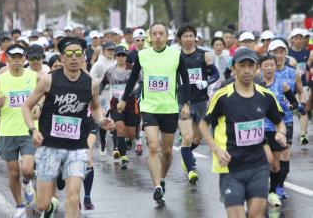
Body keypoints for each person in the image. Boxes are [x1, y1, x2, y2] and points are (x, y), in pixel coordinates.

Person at [21, 36, 115, 218]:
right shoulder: (48, 80)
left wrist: (102, 119)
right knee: (42, 203)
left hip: (77, 147)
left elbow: (95, 108)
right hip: (50, 147)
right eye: (69, 54)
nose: (73, 58)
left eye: (78, 54)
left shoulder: (91, 84)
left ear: (83, 58)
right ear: (62, 58)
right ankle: (46, 208)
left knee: (72, 198)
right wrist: (33, 130)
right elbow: (26, 106)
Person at [199, 47, 287, 218]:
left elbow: (279, 122)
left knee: (255, 214)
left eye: (250, 66)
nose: (246, 70)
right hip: (231, 167)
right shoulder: (222, 97)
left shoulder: (265, 96)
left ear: (256, 68)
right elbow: (203, 125)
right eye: (242, 65)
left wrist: (281, 133)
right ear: (233, 68)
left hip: (258, 166)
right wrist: (217, 150)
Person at [118, 23, 191, 204]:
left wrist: (186, 103)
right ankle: (157, 186)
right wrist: (124, 98)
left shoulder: (176, 54)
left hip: (170, 108)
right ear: (150, 37)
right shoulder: (143, 55)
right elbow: (133, 78)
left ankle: (162, 178)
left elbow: (186, 79)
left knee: (167, 151)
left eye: (161, 33)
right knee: (152, 147)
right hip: (149, 107)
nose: (158, 36)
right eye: (155, 33)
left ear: (167, 36)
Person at [0, 44, 38, 218]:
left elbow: (43, 97)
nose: (16, 60)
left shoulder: (34, 77)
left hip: (28, 129)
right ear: (7, 59)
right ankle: (19, 206)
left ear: (24, 59)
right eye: (13, 57)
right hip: (8, 131)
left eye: (19, 57)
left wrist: (38, 105)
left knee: (27, 169)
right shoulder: (0, 80)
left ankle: (27, 181)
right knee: (13, 172)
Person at [177, 24, 219, 182]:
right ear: (180, 39)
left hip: (201, 100)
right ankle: (190, 169)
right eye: (185, 36)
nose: (188, 39)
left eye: (191, 36)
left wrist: (206, 82)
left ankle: (185, 155)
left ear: (195, 38)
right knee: (187, 137)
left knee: (196, 139)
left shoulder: (204, 55)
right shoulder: (176, 57)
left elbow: (216, 74)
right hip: (182, 101)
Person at [259, 54, 299, 206]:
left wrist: (288, 107)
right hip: (261, 129)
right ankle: (261, 190)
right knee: (267, 161)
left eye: (271, 65)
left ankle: (273, 191)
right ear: (261, 68)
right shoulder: (257, 86)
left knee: (275, 165)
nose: (269, 68)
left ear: (276, 66)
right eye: (266, 65)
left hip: (277, 130)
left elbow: (294, 103)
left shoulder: (282, 84)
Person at [100, 45, 141, 170]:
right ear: (115, 56)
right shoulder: (110, 70)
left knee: (131, 134)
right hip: (115, 103)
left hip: (130, 103)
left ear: (126, 56)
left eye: (123, 55)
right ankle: (124, 158)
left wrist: (135, 92)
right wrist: (98, 93)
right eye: (118, 55)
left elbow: (142, 82)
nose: (121, 57)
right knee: (120, 129)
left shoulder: (133, 69)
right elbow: (103, 82)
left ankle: (129, 141)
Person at [90, 42, 116, 156]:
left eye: (112, 50)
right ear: (104, 51)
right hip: (102, 95)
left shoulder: (116, 62)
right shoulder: (99, 64)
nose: (111, 52)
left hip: (114, 93)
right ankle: (103, 142)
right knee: (104, 117)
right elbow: (91, 78)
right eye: (108, 50)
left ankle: (116, 147)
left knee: (115, 118)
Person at [288, 28, 310, 145]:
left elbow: (307, 68)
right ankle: (287, 132)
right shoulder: (287, 53)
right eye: (296, 38)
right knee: (289, 111)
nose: (299, 40)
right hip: (290, 87)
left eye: (301, 38)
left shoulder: (307, 53)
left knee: (303, 109)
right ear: (291, 40)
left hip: (303, 86)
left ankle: (302, 134)